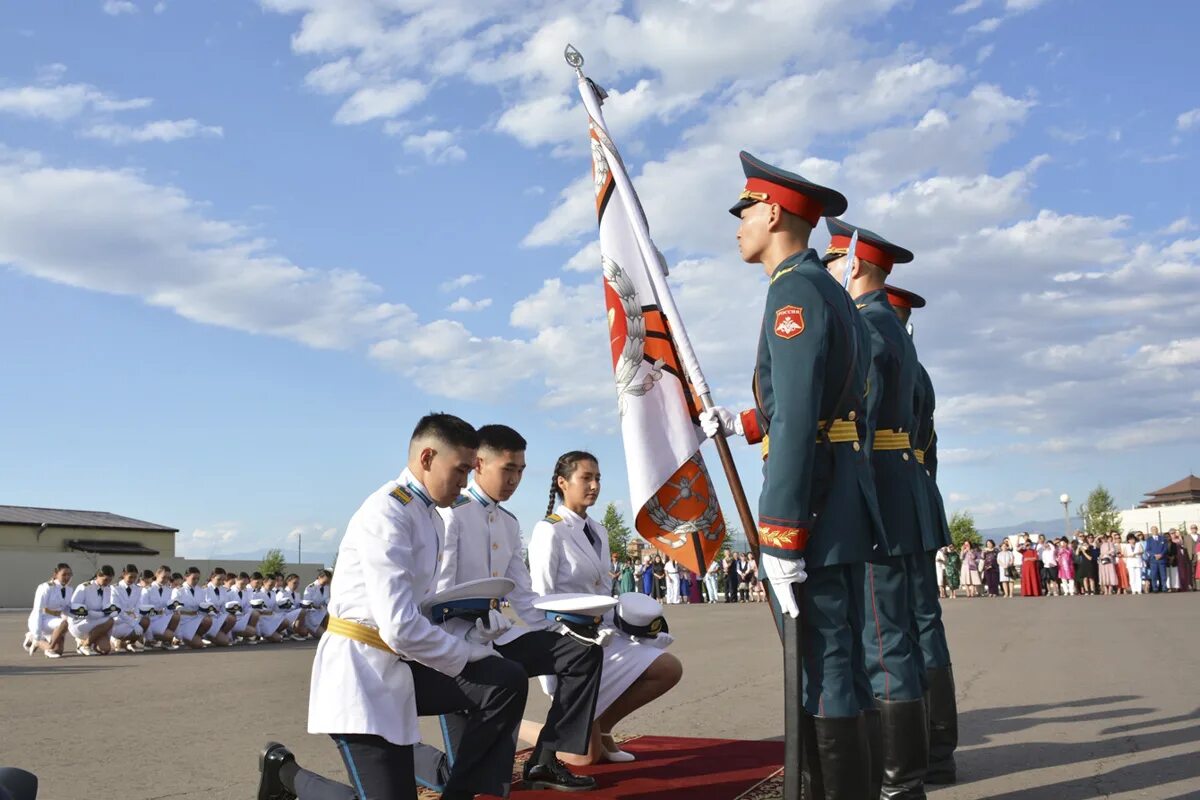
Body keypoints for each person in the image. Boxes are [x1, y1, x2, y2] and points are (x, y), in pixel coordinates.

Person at [701, 154, 885, 798]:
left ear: (773, 212)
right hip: (838, 492)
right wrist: (749, 422)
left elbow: (805, 410)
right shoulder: (824, 287)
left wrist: (780, 533)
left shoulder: (794, 289)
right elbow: (808, 399)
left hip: (815, 502)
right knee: (841, 662)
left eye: (744, 210)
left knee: (825, 664)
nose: (739, 225)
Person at [259, 413, 528, 800]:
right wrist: (464, 651)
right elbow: (399, 626)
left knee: (505, 678)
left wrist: (471, 627)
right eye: (460, 470)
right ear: (427, 457)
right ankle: (285, 775)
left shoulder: (430, 515)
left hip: (398, 667)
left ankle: (462, 791)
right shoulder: (388, 511)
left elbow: (422, 607)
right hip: (361, 672)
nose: (465, 482)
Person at [426, 424, 602, 791]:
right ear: (478, 464)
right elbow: (437, 594)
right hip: (456, 640)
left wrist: (559, 627)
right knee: (475, 774)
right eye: (508, 469)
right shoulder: (452, 514)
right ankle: (410, 756)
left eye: (521, 471)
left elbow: (523, 594)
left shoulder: (508, 522)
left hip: (497, 635)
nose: (515, 479)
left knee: (582, 654)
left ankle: (545, 759)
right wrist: (469, 630)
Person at [529, 451, 682, 766]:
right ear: (563, 483)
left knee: (667, 668)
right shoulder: (549, 530)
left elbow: (603, 591)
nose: (594, 485)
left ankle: (603, 727)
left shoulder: (598, 530)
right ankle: (513, 728)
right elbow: (540, 600)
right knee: (584, 760)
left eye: (597, 478)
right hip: (571, 641)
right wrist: (550, 663)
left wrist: (640, 632)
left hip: (606, 635)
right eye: (586, 478)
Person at [24, 563, 72, 658]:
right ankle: (39, 641)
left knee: (58, 651)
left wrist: (80, 614)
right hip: (42, 620)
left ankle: (35, 640)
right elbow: (37, 611)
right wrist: (37, 632)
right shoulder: (45, 587)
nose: (67, 577)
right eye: (64, 574)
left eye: (69, 574)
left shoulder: (69, 589)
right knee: (64, 623)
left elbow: (66, 608)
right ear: (55, 575)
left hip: (55, 622)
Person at [68, 565, 118, 655]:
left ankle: (83, 643)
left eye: (110, 580)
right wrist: (100, 614)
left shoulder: (107, 589)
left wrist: (112, 610)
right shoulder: (84, 587)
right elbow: (74, 608)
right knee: (110, 621)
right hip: (80, 622)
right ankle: (86, 645)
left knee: (105, 649)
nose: (107, 583)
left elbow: (106, 607)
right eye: (105, 580)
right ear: (98, 576)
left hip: (97, 623)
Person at [108, 564, 147, 652]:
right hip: (118, 620)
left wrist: (136, 620)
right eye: (130, 577)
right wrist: (133, 623)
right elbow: (117, 610)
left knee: (145, 621)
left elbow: (138, 607)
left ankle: (130, 642)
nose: (132, 580)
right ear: (124, 574)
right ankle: (116, 639)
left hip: (132, 618)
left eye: (135, 577)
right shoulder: (114, 588)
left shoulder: (138, 589)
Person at [302, 570, 332, 636]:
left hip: (321, 613)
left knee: (330, 613)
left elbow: (326, 599)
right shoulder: (310, 587)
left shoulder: (326, 587)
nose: (325, 584)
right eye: (324, 582)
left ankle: (325, 629)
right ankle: (309, 629)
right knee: (323, 635)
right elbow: (306, 603)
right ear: (319, 577)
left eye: (327, 582)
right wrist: (316, 606)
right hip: (311, 616)